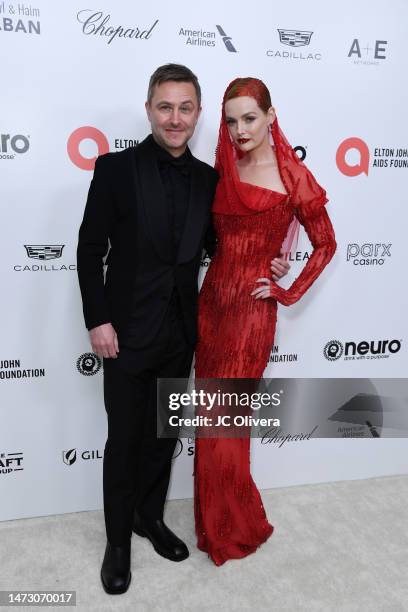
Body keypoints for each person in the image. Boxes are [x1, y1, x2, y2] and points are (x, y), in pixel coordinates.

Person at [77, 64, 291, 594]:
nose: (175, 118)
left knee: (162, 436)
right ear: (149, 108)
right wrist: (97, 319)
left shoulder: (211, 180)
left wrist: (274, 263)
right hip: (124, 334)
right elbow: (88, 249)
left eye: (186, 108)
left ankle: (149, 519)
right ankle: (117, 543)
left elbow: (224, 251)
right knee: (124, 440)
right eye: (165, 107)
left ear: (198, 116)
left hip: (184, 333)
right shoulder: (114, 170)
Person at [194, 77, 337, 566]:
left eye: (249, 117)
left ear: (271, 116)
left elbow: (325, 243)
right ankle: (216, 523)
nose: (239, 129)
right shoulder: (224, 166)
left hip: (252, 313)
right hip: (212, 302)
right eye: (231, 120)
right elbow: (215, 239)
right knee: (211, 420)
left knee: (226, 419)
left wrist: (286, 287)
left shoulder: (293, 175)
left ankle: (234, 526)